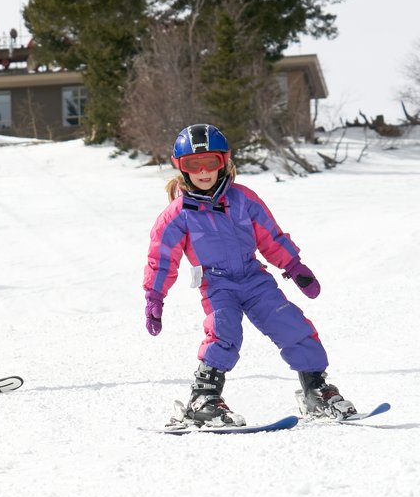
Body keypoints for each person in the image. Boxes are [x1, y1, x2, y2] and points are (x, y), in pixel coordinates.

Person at [143, 122, 355, 427]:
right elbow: (162, 259)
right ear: (182, 168)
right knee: (224, 330)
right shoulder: (177, 215)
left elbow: (271, 236)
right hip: (217, 285)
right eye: (193, 164)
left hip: (254, 279)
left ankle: (316, 391)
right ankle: (202, 398)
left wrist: (293, 266)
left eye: (211, 162)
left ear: (224, 162)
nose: (203, 171)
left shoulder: (243, 199)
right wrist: (155, 296)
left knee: (292, 324)